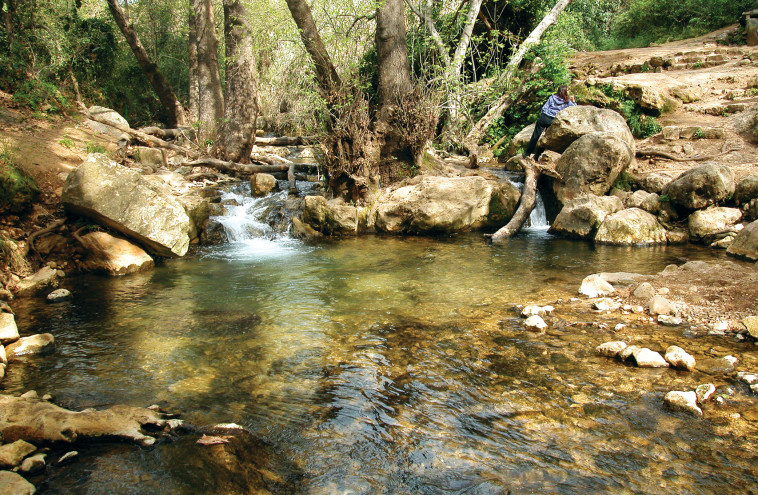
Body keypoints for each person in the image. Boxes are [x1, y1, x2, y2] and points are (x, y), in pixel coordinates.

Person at [523, 85, 576, 162]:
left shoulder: (552, 97)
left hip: (544, 117)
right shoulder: (567, 101)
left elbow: (544, 108)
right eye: (568, 90)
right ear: (565, 91)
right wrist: (573, 101)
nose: (569, 91)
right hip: (553, 121)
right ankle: (537, 156)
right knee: (546, 139)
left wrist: (543, 116)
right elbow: (574, 109)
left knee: (535, 136)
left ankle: (527, 153)